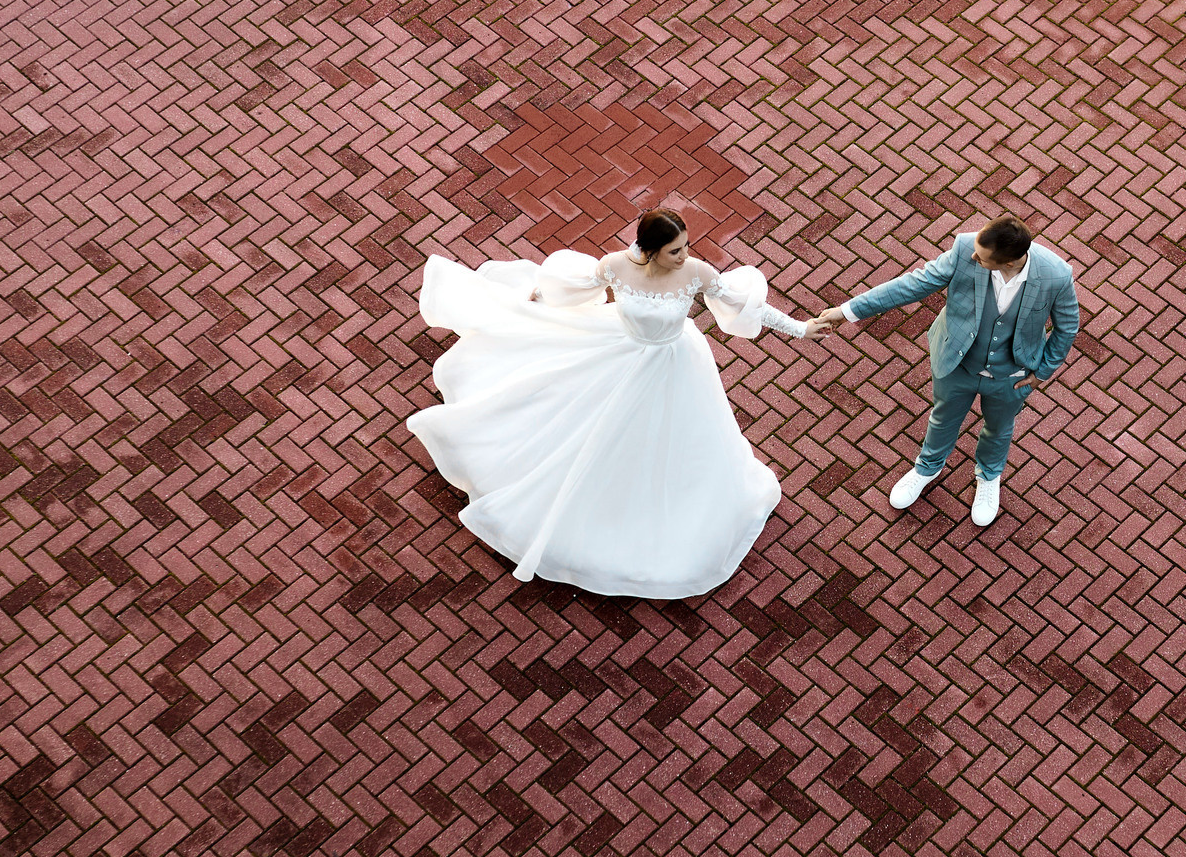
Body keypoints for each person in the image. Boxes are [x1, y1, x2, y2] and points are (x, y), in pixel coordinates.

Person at [408, 209, 815, 599]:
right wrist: (536, 295)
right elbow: (577, 286)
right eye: (676, 249)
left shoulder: (696, 274)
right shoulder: (616, 265)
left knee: (682, 440)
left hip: (675, 365)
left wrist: (800, 329)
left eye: (687, 245)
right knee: (594, 432)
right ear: (651, 250)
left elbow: (749, 307)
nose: (685, 255)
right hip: (621, 355)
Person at [807, 215, 1081, 526]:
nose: (974, 257)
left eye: (983, 257)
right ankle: (928, 467)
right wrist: (847, 311)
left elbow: (1067, 327)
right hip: (956, 361)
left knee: (999, 428)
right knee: (943, 417)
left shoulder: (1056, 275)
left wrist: (1043, 371)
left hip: (1013, 376)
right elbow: (912, 285)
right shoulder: (965, 248)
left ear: (1009, 260)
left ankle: (989, 478)